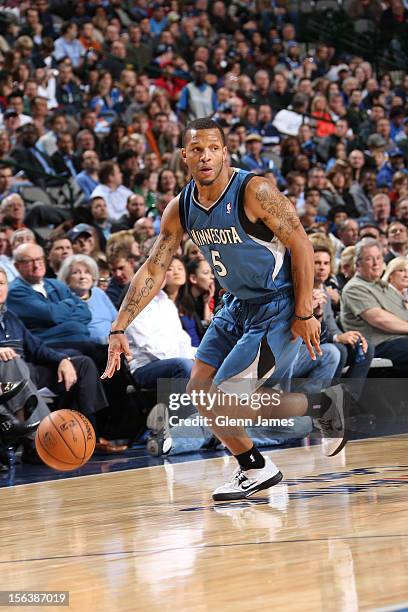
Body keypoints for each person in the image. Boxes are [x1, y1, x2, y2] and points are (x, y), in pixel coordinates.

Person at [102, 118, 347, 502]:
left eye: (213, 148)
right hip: (234, 306)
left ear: (224, 152)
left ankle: (317, 404)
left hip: (276, 306)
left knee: (227, 401)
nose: (205, 156)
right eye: (197, 149)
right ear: (184, 155)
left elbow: (300, 242)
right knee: (200, 391)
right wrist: (119, 326)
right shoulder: (180, 207)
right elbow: (154, 266)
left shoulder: (254, 190)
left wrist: (303, 313)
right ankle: (254, 467)